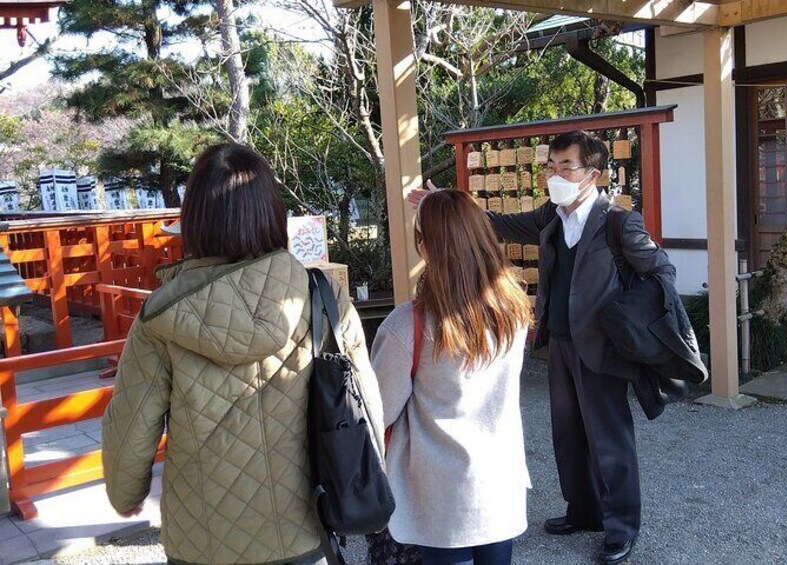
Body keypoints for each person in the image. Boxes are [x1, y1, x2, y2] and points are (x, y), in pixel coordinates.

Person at [101, 143, 384, 565]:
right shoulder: (324, 297)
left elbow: (131, 424)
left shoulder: (161, 315)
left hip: (200, 538)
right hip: (305, 525)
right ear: (271, 213)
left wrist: (125, 494)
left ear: (193, 219)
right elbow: (365, 405)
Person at [409, 131, 675, 564]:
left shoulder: (617, 221)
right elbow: (498, 224)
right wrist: (447, 202)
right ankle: (582, 510)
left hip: (602, 348)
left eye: (565, 166)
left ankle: (620, 526)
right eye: (551, 165)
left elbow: (661, 271)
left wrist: (624, 319)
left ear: (594, 174)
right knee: (567, 435)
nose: (555, 174)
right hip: (559, 344)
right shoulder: (551, 216)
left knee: (609, 438)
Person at [371, 189, 533, 565]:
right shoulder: (515, 312)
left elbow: (378, 411)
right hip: (501, 481)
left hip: (440, 493)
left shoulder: (408, 325)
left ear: (426, 248)